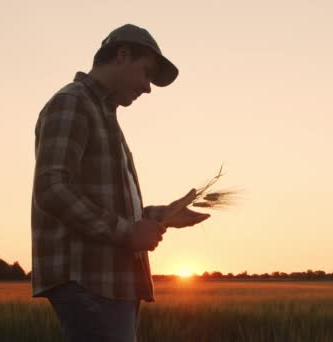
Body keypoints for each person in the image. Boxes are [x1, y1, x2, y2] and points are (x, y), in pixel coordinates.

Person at [30, 24, 210, 342]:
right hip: (89, 280)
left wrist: (161, 215)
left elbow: (105, 200)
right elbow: (51, 188)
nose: (148, 87)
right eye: (146, 73)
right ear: (122, 55)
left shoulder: (103, 114)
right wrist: (128, 232)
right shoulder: (73, 102)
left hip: (108, 282)